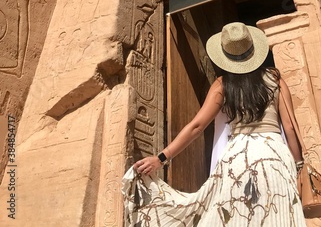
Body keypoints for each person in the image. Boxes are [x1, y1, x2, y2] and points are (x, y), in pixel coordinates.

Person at [122, 22, 306, 226]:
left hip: (238, 159)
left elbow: (196, 126)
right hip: (274, 155)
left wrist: (162, 157)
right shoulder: (275, 78)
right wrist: (299, 166)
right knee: (278, 217)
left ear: (226, 57)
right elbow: (289, 127)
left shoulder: (223, 84)